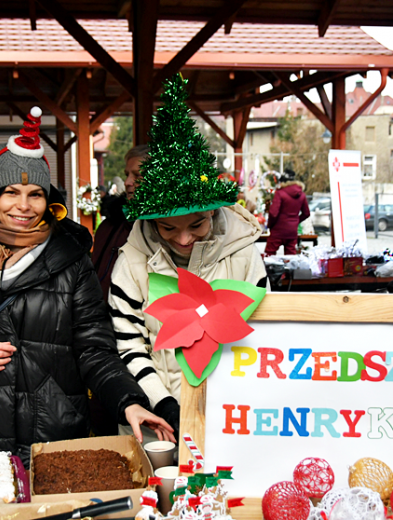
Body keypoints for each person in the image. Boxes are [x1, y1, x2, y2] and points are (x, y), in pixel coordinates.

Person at [0, 107, 173, 465]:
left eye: (36, 194)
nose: (24, 206)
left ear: (49, 201)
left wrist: (129, 402)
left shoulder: (72, 261)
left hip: (50, 432)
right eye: (11, 192)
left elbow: (94, 348)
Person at [107, 75, 267, 438]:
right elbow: (128, 341)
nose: (184, 240)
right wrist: (163, 402)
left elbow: (261, 336)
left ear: (214, 211)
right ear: (150, 221)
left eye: (197, 225)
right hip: (156, 420)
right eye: (167, 229)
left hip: (232, 415)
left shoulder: (244, 256)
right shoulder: (130, 262)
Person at [91, 145, 149, 297]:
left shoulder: (173, 231)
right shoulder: (108, 227)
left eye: (137, 175)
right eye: (127, 175)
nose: (128, 182)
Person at [265, 168, 310, 256]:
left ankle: (269, 270)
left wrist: (270, 225)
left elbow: (273, 213)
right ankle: (288, 270)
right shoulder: (301, 194)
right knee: (290, 257)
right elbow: (306, 213)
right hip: (292, 231)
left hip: (278, 230)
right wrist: (295, 221)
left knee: (269, 254)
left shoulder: (280, 193)